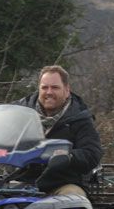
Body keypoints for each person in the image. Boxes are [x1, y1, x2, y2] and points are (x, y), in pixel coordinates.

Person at [17, 64, 102, 197]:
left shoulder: (80, 118)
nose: (49, 92)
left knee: (72, 199)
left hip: (61, 184)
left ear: (67, 90)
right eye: (44, 87)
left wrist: (68, 156)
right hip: (19, 182)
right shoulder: (19, 112)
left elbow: (92, 153)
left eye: (55, 87)